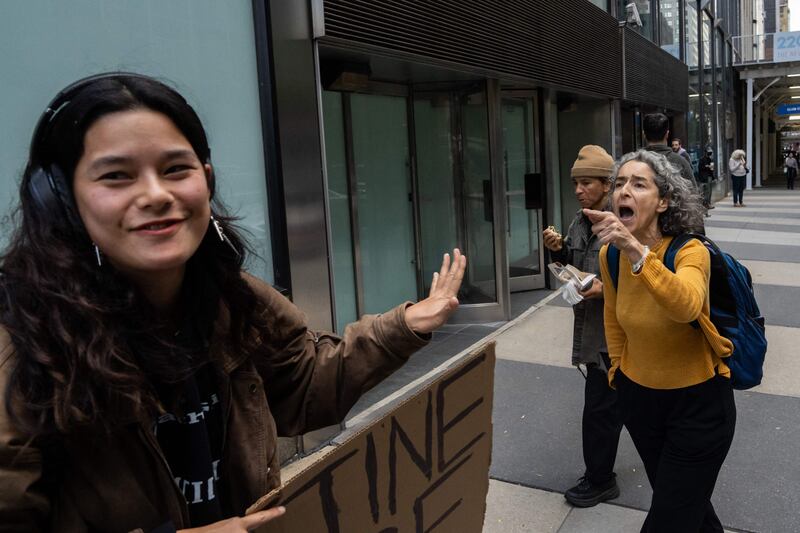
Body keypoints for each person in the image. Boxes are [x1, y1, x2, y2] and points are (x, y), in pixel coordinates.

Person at [0, 73, 467, 532]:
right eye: (117, 176)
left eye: (175, 169)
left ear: (205, 179)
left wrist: (405, 325)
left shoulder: (233, 297)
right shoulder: (23, 341)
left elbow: (301, 390)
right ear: (61, 200)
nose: (156, 195)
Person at [585, 149, 735, 532]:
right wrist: (619, 374)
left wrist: (637, 250)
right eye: (619, 184)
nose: (624, 191)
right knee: (688, 508)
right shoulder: (609, 255)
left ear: (664, 201)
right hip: (640, 401)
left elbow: (686, 306)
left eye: (639, 184)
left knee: (669, 517)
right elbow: (613, 320)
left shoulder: (690, 250)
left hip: (699, 406)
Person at [543, 146, 623, 508]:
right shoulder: (579, 221)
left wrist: (603, 290)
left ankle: (601, 480)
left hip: (622, 337)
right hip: (595, 334)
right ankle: (602, 475)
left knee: (602, 413)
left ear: (607, 184)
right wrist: (558, 252)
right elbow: (571, 268)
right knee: (606, 410)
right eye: (576, 182)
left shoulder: (623, 222)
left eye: (586, 182)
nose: (578, 190)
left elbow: (644, 279)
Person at [642, 113, 698, 192]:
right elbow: (694, 195)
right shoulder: (681, 162)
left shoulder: (634, 162)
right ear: (667, 134)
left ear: (644, 134)